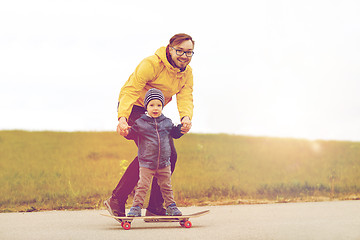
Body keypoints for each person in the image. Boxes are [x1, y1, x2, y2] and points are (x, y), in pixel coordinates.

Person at [104, 33, 195, 217]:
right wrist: (122, 117)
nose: (184, 56)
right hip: (134, 108)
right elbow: (130, 91)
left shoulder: (186, 73)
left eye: (189, 52)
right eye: (180, 51)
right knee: (151, 152)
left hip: (155, 111)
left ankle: (155, 207)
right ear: (170, 49)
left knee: (170, 155)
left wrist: (186, 117)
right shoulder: (152, 64)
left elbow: (185, 96)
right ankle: (117, 199)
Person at [125, 88, 183, 217]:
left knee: (166, 187)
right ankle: (136, 207)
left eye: (159, 105)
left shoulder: (167, 122)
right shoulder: (140, 123)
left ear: (162, 106)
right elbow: (131, 134)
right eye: (152, 105)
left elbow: (174, 133)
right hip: (147, 163)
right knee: (142, 187)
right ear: (146, 107)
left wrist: (181, 129)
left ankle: (171, 207)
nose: (155, 108)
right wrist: (125, 133)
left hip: (164, 163)